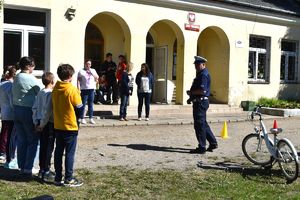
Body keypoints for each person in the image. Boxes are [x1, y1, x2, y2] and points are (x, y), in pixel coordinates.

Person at [52, 64, 83, 187]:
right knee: (69, 153)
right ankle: (69, 178)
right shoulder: (72, 89)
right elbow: (79, 108)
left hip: (58, 125)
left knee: (58, 152)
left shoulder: (55, 88)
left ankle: (58, 177)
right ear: (70, 76)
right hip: (70, 126)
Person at [12, 56, 41, 177]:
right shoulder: (30, 78)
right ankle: (29, 167)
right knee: (33, 140)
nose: (34, 68)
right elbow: (41, 91)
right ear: (29, 66)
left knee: (21, 140)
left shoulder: (17, 76)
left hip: (16, 109)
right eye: (33, 66)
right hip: (28, 111)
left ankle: (21, 166)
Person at [187, 56, 218, 154]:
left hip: (200, 102)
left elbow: (202, 90)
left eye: (198, 64)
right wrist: (191, 97)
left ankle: (202, 147)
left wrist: (191, 92)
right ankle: (213, 143)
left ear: (203, 64)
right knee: (203, 124)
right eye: (195, 64)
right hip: (200, 101)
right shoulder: (201, 74)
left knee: (199, 125)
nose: (196, 66)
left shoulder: (203, 75)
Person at [32, 72, 56, 182]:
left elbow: (35, 108)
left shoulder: (40, 92)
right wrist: (41, 124)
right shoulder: (50, 93)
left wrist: (36, 121)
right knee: (48, 148)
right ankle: (45, 170)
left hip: (39, 122)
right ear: (52, 81)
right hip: (47, 124)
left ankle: (42, 169)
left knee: (43, 146)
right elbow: (47, 111)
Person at [0, 65, 17, 166]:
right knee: (9, 134)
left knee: (4, 131)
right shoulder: (10, 86)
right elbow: (11, 101)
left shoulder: (1, 84)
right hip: (10, 112)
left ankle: (2, 151)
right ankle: (4, 152)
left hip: (4, 110)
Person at [77, 59, 98, 124]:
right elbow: (78, 80)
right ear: (84, 64)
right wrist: (78, 89)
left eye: (89, 64)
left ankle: (90, 118)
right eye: (87, 64)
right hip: (84, 89)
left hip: (91, 89)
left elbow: (97, 78)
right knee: (83, 104)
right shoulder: (81, 71)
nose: (88, 65)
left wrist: (91, 73)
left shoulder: (93, 70)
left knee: (91, 104)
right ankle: (82, 118)